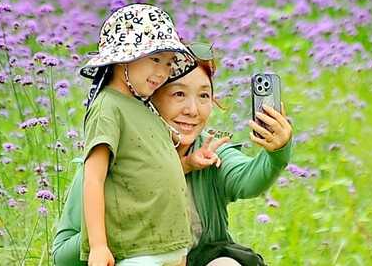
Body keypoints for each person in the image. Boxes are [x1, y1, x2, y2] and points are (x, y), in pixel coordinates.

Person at [53, 43, 293, 266]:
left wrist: (277, 152)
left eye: (203, 96)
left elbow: (249, 180)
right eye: (178, 94)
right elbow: (62, 256)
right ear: (149, 100)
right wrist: (114, 221)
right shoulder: (107, 160)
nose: (192, 110)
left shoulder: (209, 153)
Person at [79, 3, 198, 266]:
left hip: (170, 245)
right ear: (123, 59)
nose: (162, 72)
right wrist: (99, 246)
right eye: (155, 59)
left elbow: (149, 166)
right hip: (137, 250)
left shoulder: (144, 106)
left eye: (168, 63)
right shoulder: (108, 106)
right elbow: (94, 178)